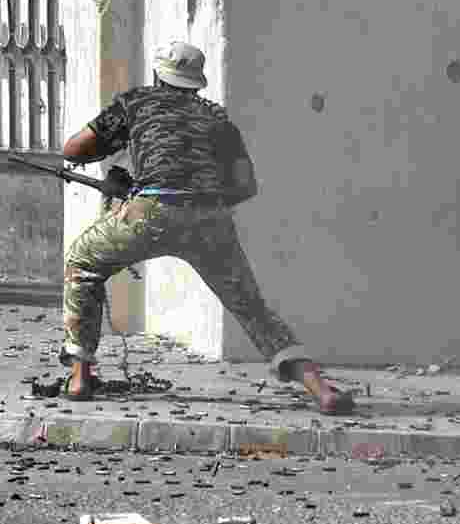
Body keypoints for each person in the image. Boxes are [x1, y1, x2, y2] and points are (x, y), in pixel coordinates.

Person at [59, 41, 353, 415]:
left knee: (83, 262)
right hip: (211, 218)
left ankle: (81, 376)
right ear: (197, 82)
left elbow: (73, 150)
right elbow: (246, 185)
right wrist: (200, 204)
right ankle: (320, 389)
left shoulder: (135, 104)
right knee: (252, 307)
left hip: (148, 212)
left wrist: (129, 174)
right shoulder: (217, 118)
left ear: (156, 75)